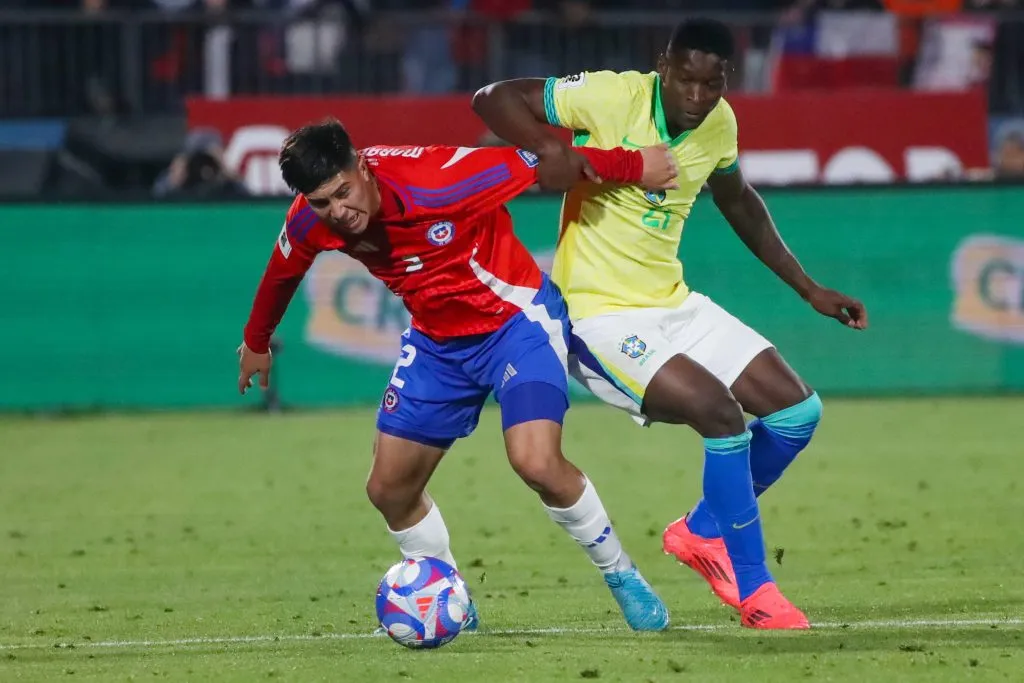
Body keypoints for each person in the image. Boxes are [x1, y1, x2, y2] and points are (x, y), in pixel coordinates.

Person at [472, 18, 869, 630]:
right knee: (721, 416)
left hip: (672, 302)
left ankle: (702, 530)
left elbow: (739, 201)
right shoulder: (610, 96)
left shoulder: (720, 123)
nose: (696, 96)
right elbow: (493, 97)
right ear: (665, 67)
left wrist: (808, 287)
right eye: (686, 80)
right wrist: (557, 152)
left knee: (796, 414)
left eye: (711, 84)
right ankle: (756, 588)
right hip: (598, 315)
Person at [237, 118, 679, 631]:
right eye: (322, 203)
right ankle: (448, 601)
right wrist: (256, 341)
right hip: (437, 343)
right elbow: (282, 270)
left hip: (515, 324)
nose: (339, 212)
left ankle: (621, 573)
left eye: (343, 192)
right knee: (388, 489)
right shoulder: (310, 219)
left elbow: (550, 160)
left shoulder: (441, 178)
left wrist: (635, 166)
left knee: (535, 462)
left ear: (362, 166)